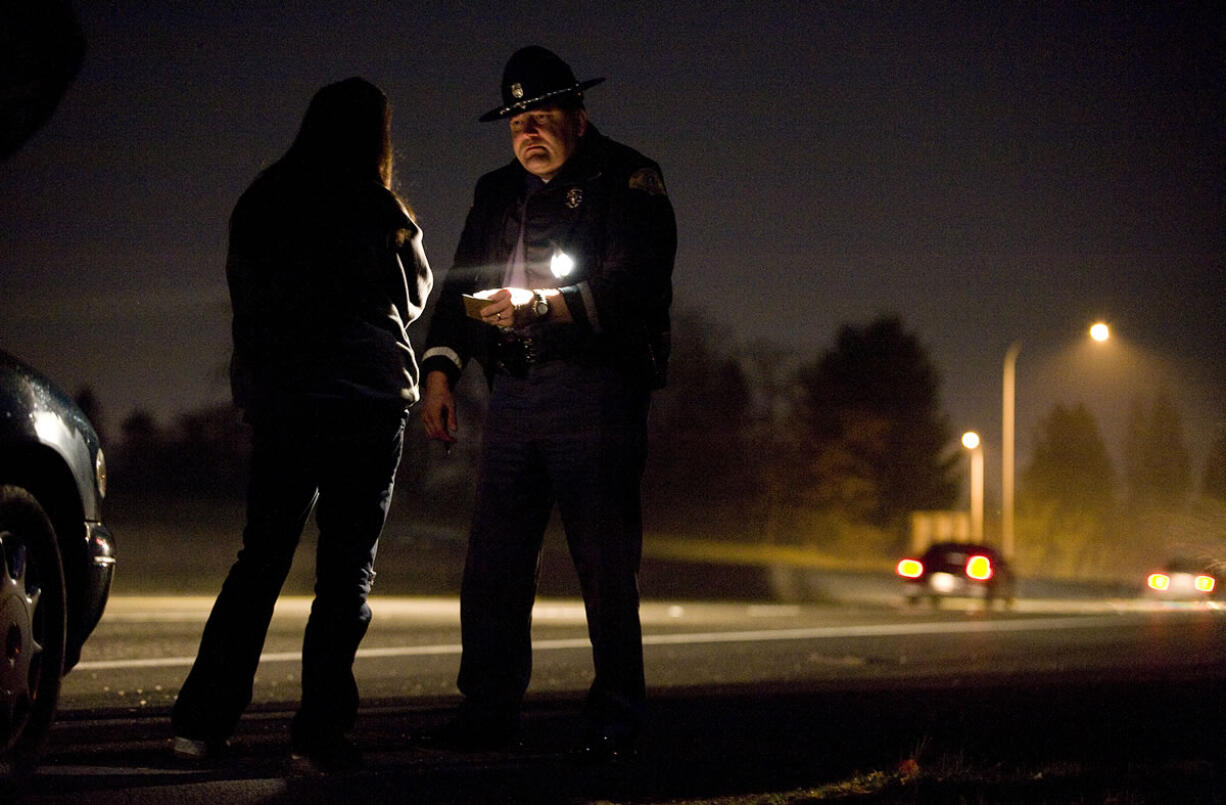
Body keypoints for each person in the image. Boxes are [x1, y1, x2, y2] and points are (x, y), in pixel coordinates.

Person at [420, 45, 676, 761]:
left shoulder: (628, 178)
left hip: (595, 390)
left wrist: (549, 309)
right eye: (515, 122)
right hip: (513, 394)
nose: (527, 132)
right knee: (494, 561)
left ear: (578, 117)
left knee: (602, 557)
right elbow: (458, 287)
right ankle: (488, 710)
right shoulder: (495, 189)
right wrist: (440, 371)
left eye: (540, 117)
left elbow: (640, 285)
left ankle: (617, 713)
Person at [171, 77, 432, 772]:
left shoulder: (264, 198)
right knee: (346, 571)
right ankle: (317, 734)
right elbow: (414, 294)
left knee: (259, 560)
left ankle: (201, 721)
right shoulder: (377, 207)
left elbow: (246, 298)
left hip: (288, 400)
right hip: (367, 402)